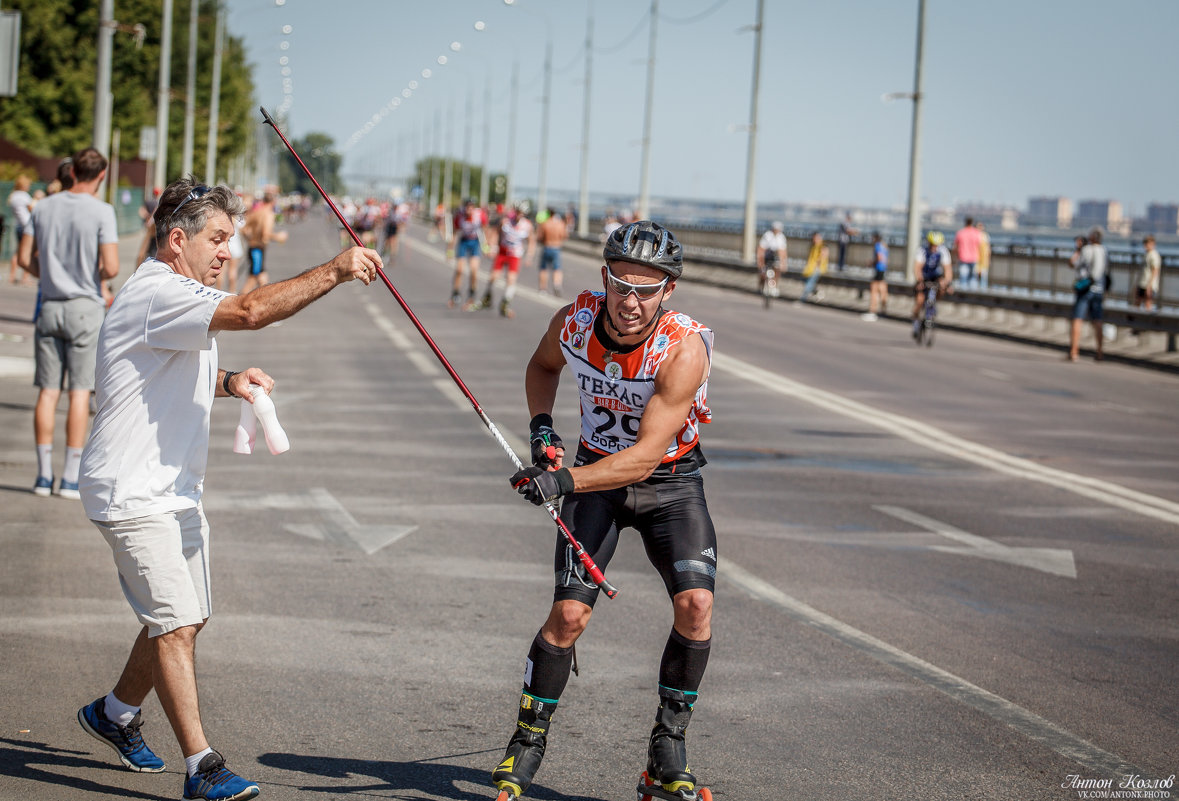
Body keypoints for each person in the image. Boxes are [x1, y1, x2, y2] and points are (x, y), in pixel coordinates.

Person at [75, 177, 381, 801]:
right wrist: (337, 269)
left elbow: (175, 364)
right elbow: (251, 312)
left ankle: (113, 713)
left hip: (173, 489)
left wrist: (234, 381)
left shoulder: (178, 293)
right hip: (132, 491)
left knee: (187, 616)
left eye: (231, 241)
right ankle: (203, 768)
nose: (227, 252)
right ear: (178, 240)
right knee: (175, 622)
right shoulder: (161, 289)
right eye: (217, 240)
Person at [494, 220, 716, 801]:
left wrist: (561, 480)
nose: (631, 301)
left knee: (696, 605)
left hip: (670, 483)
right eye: (621, 285)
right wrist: (543, 429)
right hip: (598, 479)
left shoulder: (683, 348)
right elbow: (542, 368)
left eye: (648, 288)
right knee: (568, 617)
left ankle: (667, 750)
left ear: (669, 291)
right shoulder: (573, 321)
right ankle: (525, 743)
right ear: (604, 279)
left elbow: (643, 459)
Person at [16, 148, 119, 499]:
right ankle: (70, 478)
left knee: (47, 392)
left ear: (72, 171)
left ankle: (43, 476)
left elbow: (22, 258)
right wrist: (94, 276)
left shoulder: (43, 207)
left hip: (50, 304)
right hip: (85, 308)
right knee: (78, 392)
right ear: (101, 176)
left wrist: (47, 276)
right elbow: (112, 266)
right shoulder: (103, 211)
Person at [467, 204, 534, 318]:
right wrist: (492, 247)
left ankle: (505, 303)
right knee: (493, 277)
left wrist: (529, 256)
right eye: (518, 212)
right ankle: (487, 299)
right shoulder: (505, 221)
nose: (519, 215)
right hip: (503, 252)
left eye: (522, 213)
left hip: (515, 255)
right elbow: (495, 233)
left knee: (511, 279)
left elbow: (532, 241)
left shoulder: (527, 225)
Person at [1067, 228, 1108, 362]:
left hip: (1085, 289)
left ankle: (1074, 351)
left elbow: (1075, 264)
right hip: (1099, 289)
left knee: (1077, 319)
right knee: (1098, 320)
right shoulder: (1104, 251)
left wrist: (1078, 250)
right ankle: (1100, 351)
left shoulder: (1087, 250)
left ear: (1091, 238)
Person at [240, 194, 286, 294]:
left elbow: (243, 230)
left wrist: (250, 240)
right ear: (273, 202)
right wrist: (279, 236)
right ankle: (237, 302)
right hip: (257, 250)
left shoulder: (256, 213)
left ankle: (266, 303)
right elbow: (266, 234)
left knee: (263, 279)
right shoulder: (269, 214)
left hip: (254, 248)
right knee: (252, 280)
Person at [911, 230, 953, 340]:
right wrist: (920, 281)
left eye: (936, 245)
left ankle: (933, 305)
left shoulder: (943, 251)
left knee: (942, 287)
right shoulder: (922, 251)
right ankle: (915, 325)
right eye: (932, 245)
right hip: (924, 276)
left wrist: (947, 283)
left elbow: (947, 269)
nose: (934, 247)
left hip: (936, 276)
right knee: (919, 301)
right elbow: (917, 268)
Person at [449, 198, 486, 308]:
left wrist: (487, 246)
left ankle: (471, 295)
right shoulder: (459, 216)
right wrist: (450, 250)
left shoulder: (479, 215)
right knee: (459, 269)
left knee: (474, 270)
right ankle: (455, 294)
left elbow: (485, 230)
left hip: (475, 241)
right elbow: (455, 233)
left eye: (471, 207)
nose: (469, 209)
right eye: (467, 207)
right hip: (464, 241)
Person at [8, 174, 34, 285]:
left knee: (17, 252)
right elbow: (33, 209)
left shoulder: (13, 196)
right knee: (29, 252)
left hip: (18, 225)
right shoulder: (24, 196)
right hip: (27, 226)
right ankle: (25, 277)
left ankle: (12, 276)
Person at [536, 206, 568, 296]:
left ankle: (543, 289)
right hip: (556, 247)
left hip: (547, 246)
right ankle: (557, 284)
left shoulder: (545, 224)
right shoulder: (560, 224)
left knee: (544, 269)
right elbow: (564, 235)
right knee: (557, 269)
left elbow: (540, 237)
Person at [861, 231, 889, 321]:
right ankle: (883, 310)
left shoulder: (877, 245)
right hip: (883, 269)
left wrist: (871, 263)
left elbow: (879, 258)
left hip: (879, 270)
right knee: (883, 290)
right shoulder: (884, 246)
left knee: (874, 290)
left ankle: (873, 311)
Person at [756, 221, 787, 297]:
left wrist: (783, 263)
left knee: (777, 270)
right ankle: (761, 286)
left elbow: (782, 252)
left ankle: (774, 287)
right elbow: (761, 249)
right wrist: (760, 262)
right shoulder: (767, 235)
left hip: (775, 256)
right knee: (763, 272)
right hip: (766, 255)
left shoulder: (781, 237)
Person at [798, 230, 829, 303]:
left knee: (809, 283)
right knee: (804, 280)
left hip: (817, 268)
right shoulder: (813, 246)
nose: (815, 239)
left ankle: (803, 299)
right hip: (809, 268)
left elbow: (823, 256)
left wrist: (816, 267)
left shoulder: (823, 246)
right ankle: (818, 292)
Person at [1133, 235, 1161, 312]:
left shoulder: (1154, 255)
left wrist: (1150, 285)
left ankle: (1147, 321)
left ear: (1152, 244)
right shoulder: (1146, 254)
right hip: (1142, 283)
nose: (1145, 246)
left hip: (1149, 285)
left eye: (1147, 243)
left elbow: (1155, 270)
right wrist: (1137, 284)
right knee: (1137, 303)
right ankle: (1134, 320)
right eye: (1145, 243)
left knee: (1148, 304)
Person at [952, 216, 981, 288]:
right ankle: (972, 295)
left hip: (963, 258)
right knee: (973, 278)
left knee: (963, 278)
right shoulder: (977, 233)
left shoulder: (960, 233)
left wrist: (954, 257)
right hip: (974, 258)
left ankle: (962, 295)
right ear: (972, 223)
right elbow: (979, 246)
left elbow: (955, 246)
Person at [975, 221, 991, 289]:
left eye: (981, 226)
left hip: (984, 260)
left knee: (984, 278)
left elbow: (988, 248)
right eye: (979, 226)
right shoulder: (974, 235)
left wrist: (989, 259)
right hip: (975, 259)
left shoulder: (985, 236)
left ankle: (983, 290)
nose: (980, 227)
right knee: (975, 277)